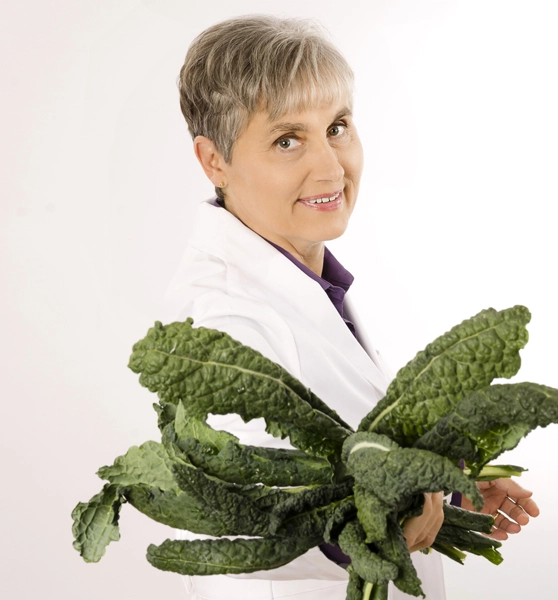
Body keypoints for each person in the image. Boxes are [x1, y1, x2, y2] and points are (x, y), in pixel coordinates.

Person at [164, 15, 539, 600]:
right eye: (287, 140)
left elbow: (349, 456)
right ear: (214, 160)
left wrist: (452, 495)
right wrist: (371, 527)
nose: (332, 168)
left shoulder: (312, 279)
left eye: (337, 127)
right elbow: (233, 513)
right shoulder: (219, 316)